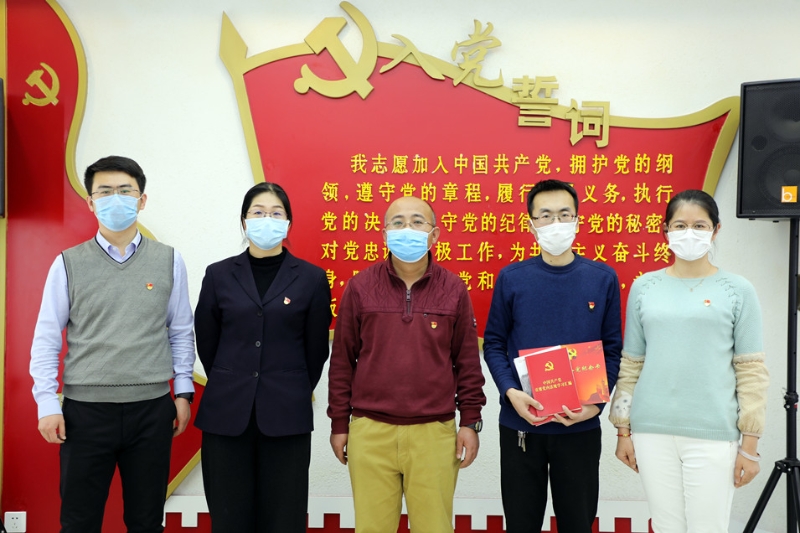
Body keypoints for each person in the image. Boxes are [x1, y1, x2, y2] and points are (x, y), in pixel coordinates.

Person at [29, 155, 196, 533]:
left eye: (125, 191)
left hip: (151, 410)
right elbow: (46, 338)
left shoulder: (169, 260)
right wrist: (46, 402)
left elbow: (180, 330)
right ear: (90, 202)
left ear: (142, 200)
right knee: (79, 521)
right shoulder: (67, 263)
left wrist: (183, 392)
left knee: (146, 521)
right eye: (104, 192)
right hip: (85, 414)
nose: (115, 199)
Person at [609, 189, 769, 532]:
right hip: (650, 431)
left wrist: (750, 444)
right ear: (665, 230)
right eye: (680, 225)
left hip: (713, 433)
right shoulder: (644, 287)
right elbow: (631, 364)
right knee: (666, 526)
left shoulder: (738, 290)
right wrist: (623, 429)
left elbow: (751, 371)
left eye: (699, 225)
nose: (689, 233)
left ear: (716, 229)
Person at [327, 195, 486, 533]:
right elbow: (342, 361)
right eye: (397, 223)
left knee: (435, 528)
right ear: (385, 235)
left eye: (417, 222)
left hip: (434, 433)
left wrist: (470, 422)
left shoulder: (454, 289)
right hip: (370, 431)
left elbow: (467, 362)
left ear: (435, 234)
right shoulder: (360, 287)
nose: (407, 229)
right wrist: (339, 423)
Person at [483, 179, 622, 533]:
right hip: (521, 425)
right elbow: (494, 343)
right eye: (545, 215)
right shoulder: (512, 278)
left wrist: (595, 406)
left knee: (577, 523)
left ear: (577, 220)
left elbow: (612, 350)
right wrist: (510, 393)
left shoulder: (602, 278)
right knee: (521, 524)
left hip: (580, 426)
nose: (555, 223)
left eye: (564, 214)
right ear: (531, 224)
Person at [193, 182, 332, 532]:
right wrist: (231, 377)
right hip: (226, 413)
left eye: (275, 212)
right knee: (229, 519)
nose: (266, 219)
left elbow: (316, 350)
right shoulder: (218, 274)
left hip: (286, 415)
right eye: (258, 212)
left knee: (284, 519)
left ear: (288, 223)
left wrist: (291, 386)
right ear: (244, 221)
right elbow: (207, 341)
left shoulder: (312, 278)